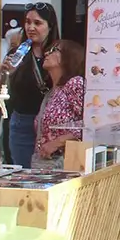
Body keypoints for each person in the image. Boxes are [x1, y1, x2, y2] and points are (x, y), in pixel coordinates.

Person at [0, 2, 60, 167]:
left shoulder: (59, 53)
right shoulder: (16, 54)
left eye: (38, 23)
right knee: (23, 173)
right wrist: (5, 74)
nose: (31, 27)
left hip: (51, 127)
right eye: (28, 22)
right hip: (22, 125)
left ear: (50, 26)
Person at [31, 40, 86, 170]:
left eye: (54, 50)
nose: (46, 53)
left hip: (66, 164)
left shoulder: (75, 84)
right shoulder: (51, 92)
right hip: (45, 164)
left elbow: (89, 123)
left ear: (69, 57)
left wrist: (57, 142)